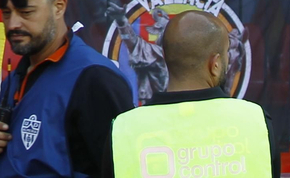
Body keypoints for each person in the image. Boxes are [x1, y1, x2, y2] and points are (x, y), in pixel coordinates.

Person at [0, 0, 134, 178]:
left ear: (59, 7)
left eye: (26, 12)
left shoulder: (94, 78)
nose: (12, 24)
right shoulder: (18, 76)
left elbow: (123, 170)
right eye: (6, 13)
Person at [110, 11, 275, 178]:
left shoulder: (123, 129)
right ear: (215, 64)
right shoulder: (256, 121)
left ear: (165, 57)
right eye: (226, 55)